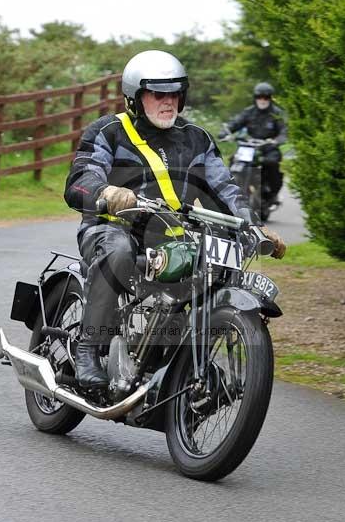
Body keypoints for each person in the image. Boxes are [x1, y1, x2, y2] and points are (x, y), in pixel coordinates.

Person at [64, 50, 286, 388]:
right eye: (158, 94)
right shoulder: (109, 131)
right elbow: (81, 178)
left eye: (174, 94)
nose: (168, 102)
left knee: (215, 270)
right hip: (112, 227)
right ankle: (88, 348)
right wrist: (107, 193)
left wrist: (253, 225)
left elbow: (225, 188)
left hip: (172, 236)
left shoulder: (197, 138)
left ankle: (180, 359)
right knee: (119, 252)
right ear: (135, 98)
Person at [218, 82, 287, 205]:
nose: (262, 100)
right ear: (255, 98)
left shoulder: (277, 114)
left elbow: (284, 131)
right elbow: (235, 123)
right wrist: (225, 131)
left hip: (268, 147)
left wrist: (276, 141)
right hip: (249, 146)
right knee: (235, 160)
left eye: (266, 97)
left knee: (271, 163)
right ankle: (231, 194)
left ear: (270, 98)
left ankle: (272, 193)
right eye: (259, 97)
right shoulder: (249, 112)